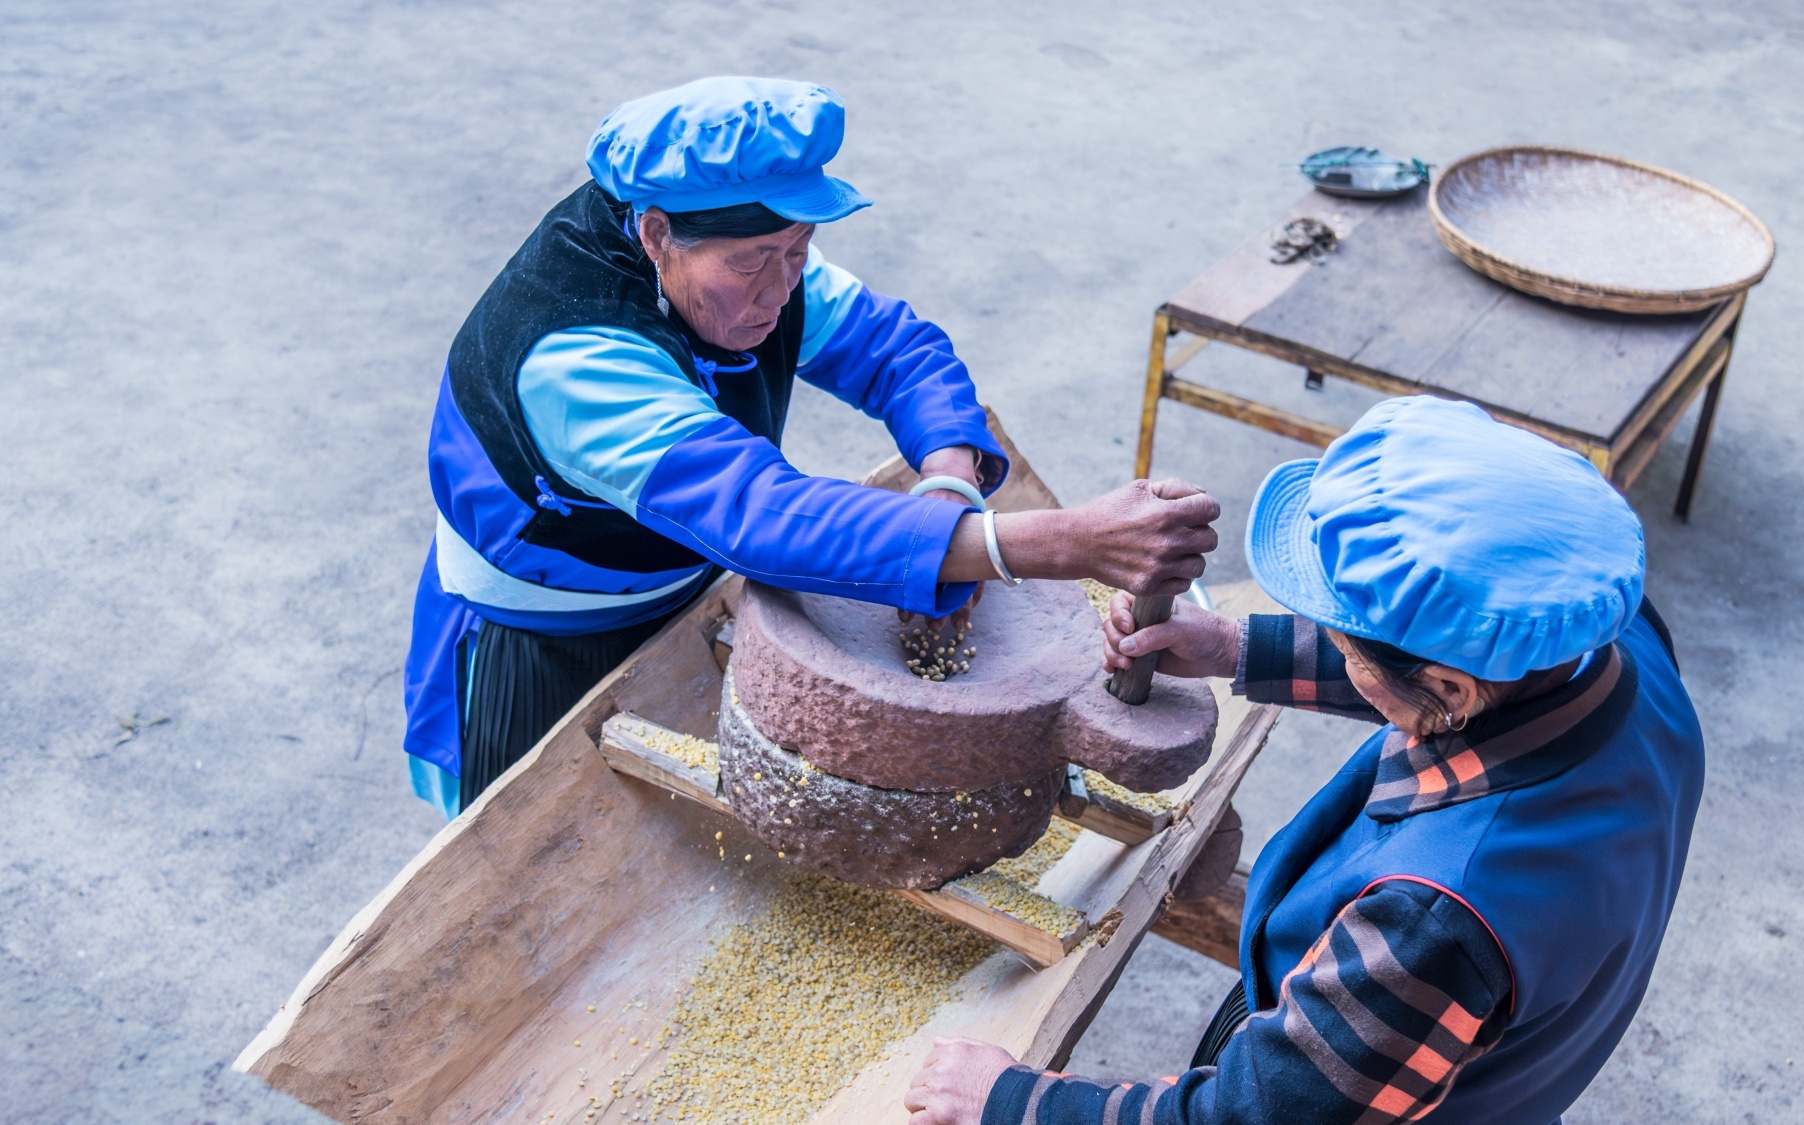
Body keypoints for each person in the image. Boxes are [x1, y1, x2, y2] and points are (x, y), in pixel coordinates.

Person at [402, 77, 1219, 817]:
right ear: (654, 235)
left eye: (796, 252)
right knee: (545, 854)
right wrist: (1062, 542)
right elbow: (762, 512)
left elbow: (896, 350)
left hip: (682, 584)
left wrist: (949, 483)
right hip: (548, 639)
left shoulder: (742, 250)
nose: (780, 286)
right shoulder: (575, 357)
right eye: (755, 262)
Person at [905, 396, 1703, 1125]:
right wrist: (1232, 644)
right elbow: (1452, 667)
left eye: (1346, 641)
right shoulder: (1610, 641)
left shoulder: (1430, 928)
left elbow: (1250, 1117)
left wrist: (1014, 1101)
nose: (1342, 648)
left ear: (1447, 687)